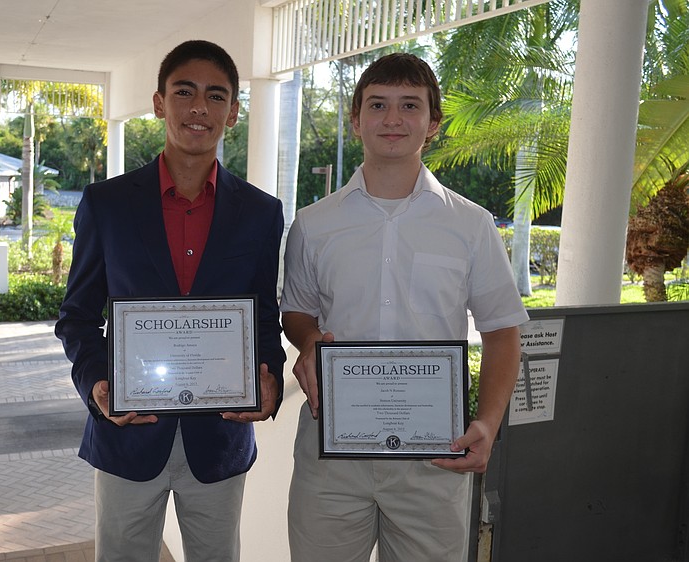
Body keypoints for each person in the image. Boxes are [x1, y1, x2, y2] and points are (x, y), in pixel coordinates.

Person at [280, 52, 529, 561]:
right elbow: (297, 312)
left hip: (434, 455)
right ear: (356, 120)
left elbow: (503, 330)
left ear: (433, 123)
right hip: (331, 450)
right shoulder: (313, 224)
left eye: (409, 105)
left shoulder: (472, 225)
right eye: (378, 105)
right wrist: (308, 341)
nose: (393, 119)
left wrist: (487, 422)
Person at [55, 40, 286, 562]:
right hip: (127, 435)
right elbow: (77, 317)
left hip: (221, 440)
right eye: (185, 92)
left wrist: (269, 374)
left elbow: (263, 319)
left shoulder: (260, 213)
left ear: (233, 111)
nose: (199, 107)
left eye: (215, 95)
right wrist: (97, 384)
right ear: (160, 102)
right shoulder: (106, 205)